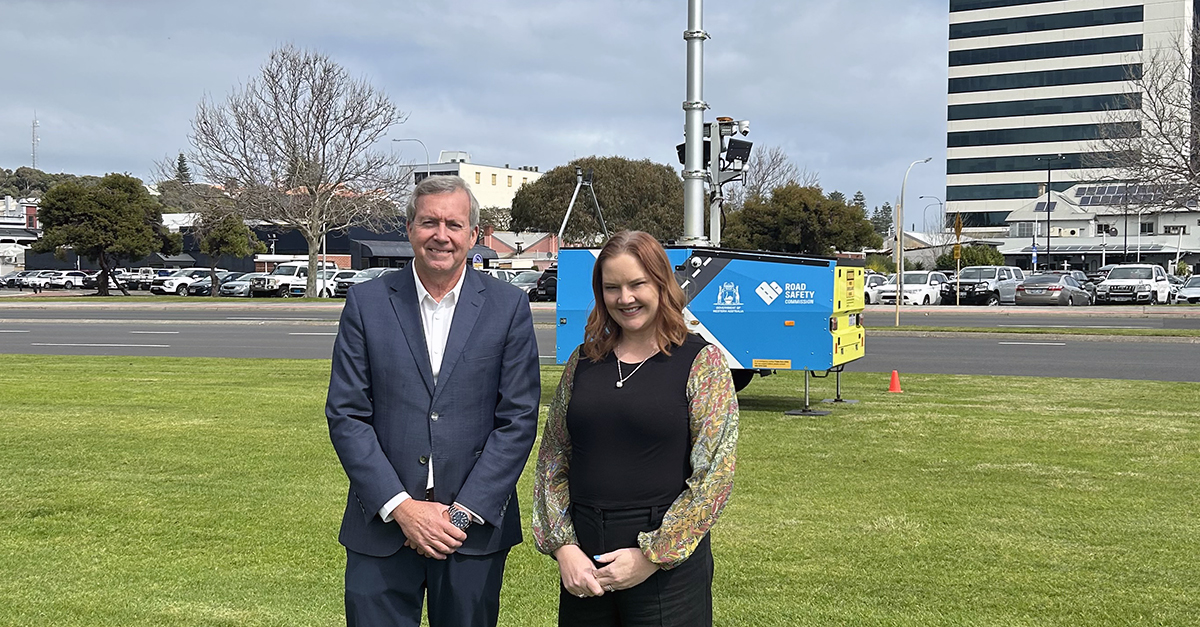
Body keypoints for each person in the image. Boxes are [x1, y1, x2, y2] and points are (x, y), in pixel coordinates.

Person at [326, 175, 540, 627]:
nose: (441, 235)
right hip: (381, 526)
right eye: (429, 222)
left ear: (474, 235)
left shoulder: (508, 307)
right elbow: (347, 415)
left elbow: (517, 420)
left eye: (454, 224)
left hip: (472, 532)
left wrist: (459, 517)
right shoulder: (366, 303)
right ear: (409, 229)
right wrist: (402, 508)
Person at [532, 230, 739, 626]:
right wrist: (564, 548)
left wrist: (652, 555)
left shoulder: (701, 362)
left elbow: (716, 473)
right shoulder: (584, 361)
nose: (625, 298)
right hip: (585, 562)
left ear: (662, 284)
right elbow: (554, 456)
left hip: (665, 570)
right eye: (612, 287)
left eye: (637, 284)